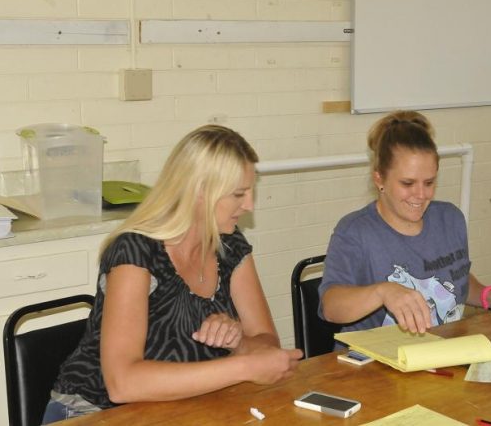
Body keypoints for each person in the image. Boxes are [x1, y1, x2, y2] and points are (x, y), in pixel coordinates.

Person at [42, 125, 302, 423]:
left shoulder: (230, 244)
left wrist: (239, 342)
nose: (249, 204)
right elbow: (122, 384)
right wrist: (243, 367)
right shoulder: (135, 251)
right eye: (239, 194)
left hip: (181, 409)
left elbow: (267, 343)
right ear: (199, 191)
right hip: (94, 412)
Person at [319, 111, 491, 336]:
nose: (420, 194)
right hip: (376, 364)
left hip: (444, 352)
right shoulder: (356, 231)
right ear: (379, 178)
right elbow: (331, 307)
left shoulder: (450, 218)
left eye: (429, 182)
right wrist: (382, 292)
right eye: (407, 183)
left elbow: (456, 279)